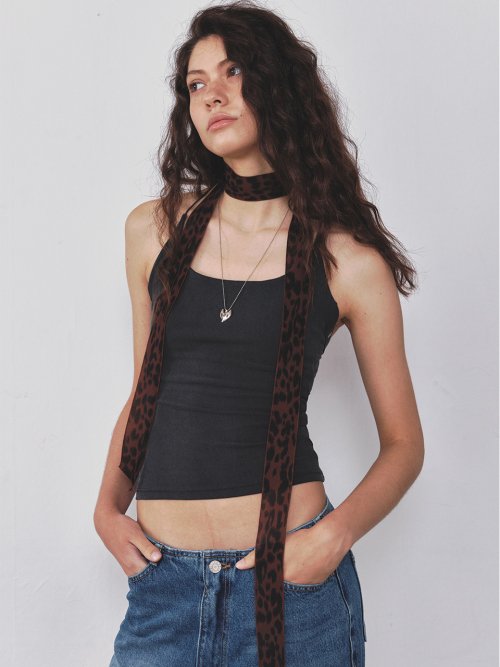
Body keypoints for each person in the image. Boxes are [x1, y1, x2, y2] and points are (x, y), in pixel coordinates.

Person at [94, 2, 425, 666]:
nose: (211, 94)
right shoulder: (153, 231)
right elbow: (147, 393)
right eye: (195, 83)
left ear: (277, 83)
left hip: (292, 590)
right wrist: (107, 508)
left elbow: (403, 446)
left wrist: (332, 538)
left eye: (233, 71)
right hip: (164, 590)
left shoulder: (348, 260)